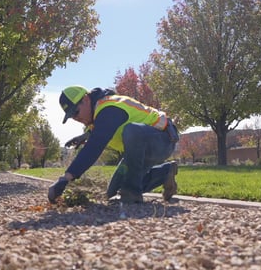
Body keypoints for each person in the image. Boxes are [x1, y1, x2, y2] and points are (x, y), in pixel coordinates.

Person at [48, 85, 180, 204]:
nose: (76, 119)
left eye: (76, 112)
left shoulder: (109, 108)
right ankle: (165, 172)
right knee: (112, 193)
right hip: (143, 148)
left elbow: (94, 147)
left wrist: (66, 178)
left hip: (163, 139)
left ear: (86, 99)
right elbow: (101, 130)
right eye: (72, 116)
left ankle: (132, 193)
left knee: (131, 130)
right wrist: (86, 135)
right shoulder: (99, 115)